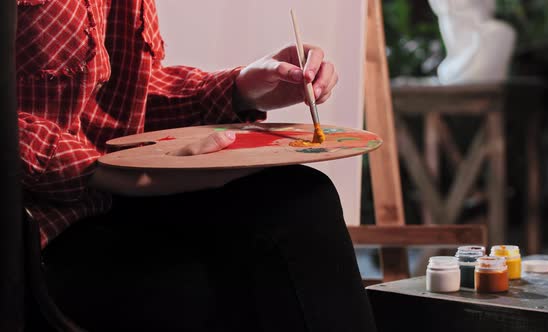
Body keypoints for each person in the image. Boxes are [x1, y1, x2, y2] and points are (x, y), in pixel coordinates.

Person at [17, 1, 376, 331]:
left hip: (110, 199)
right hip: (36, 229)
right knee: (192, 288)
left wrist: (239, 89)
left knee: (302, 197)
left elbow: (125, 96)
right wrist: (100, 171)